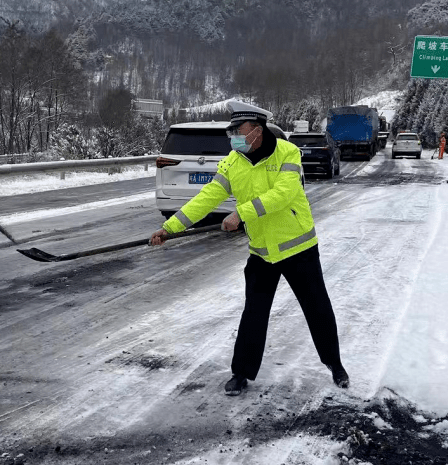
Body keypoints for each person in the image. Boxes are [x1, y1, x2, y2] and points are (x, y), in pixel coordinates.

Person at [149, 100, 348, 396]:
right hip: (262, 251)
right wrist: (171, 227)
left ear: (256, 131)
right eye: (232, 133)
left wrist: (241, 214)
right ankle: (241, 373)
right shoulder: (232, 162)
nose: (234, 138)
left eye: (238, 131)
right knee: (254, 312)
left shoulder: (287, 153)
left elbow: (284, 193)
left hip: (298, 248)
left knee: (317, 307)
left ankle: (335, 364)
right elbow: (207, 197)